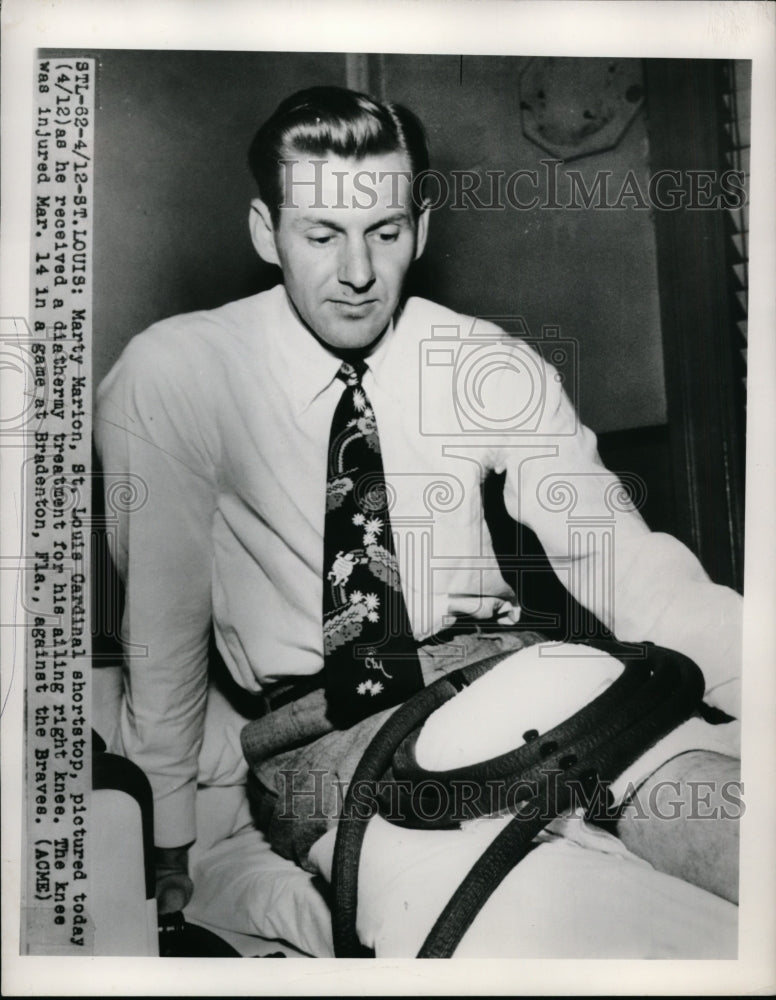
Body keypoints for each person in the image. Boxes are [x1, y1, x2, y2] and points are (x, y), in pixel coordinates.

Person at [95, 86, 742, 931]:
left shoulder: (481, 361)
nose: (358, 273)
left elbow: (625, 562)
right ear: (266, 232)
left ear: (421, 228)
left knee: (729, 824)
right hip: (328, 731)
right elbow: (164, 626)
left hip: (524, 674)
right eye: (322, 235)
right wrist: (167, 840)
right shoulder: (176, 375)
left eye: (386, 233)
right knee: (546, 921)